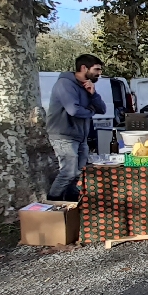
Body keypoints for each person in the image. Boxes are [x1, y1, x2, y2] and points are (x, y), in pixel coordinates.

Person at [46, 54, 106, 201]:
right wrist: (91, 111)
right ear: (83, 68)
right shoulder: (65, 84)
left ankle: (72, 206)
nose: (99, 73)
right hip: (63, 134)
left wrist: (93, 94)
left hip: (81, 136)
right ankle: (52, 204)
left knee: (79, 173)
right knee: (68, 172)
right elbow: (73, 110)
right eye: (96, 69)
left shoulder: (87, 86)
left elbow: (102, 109)